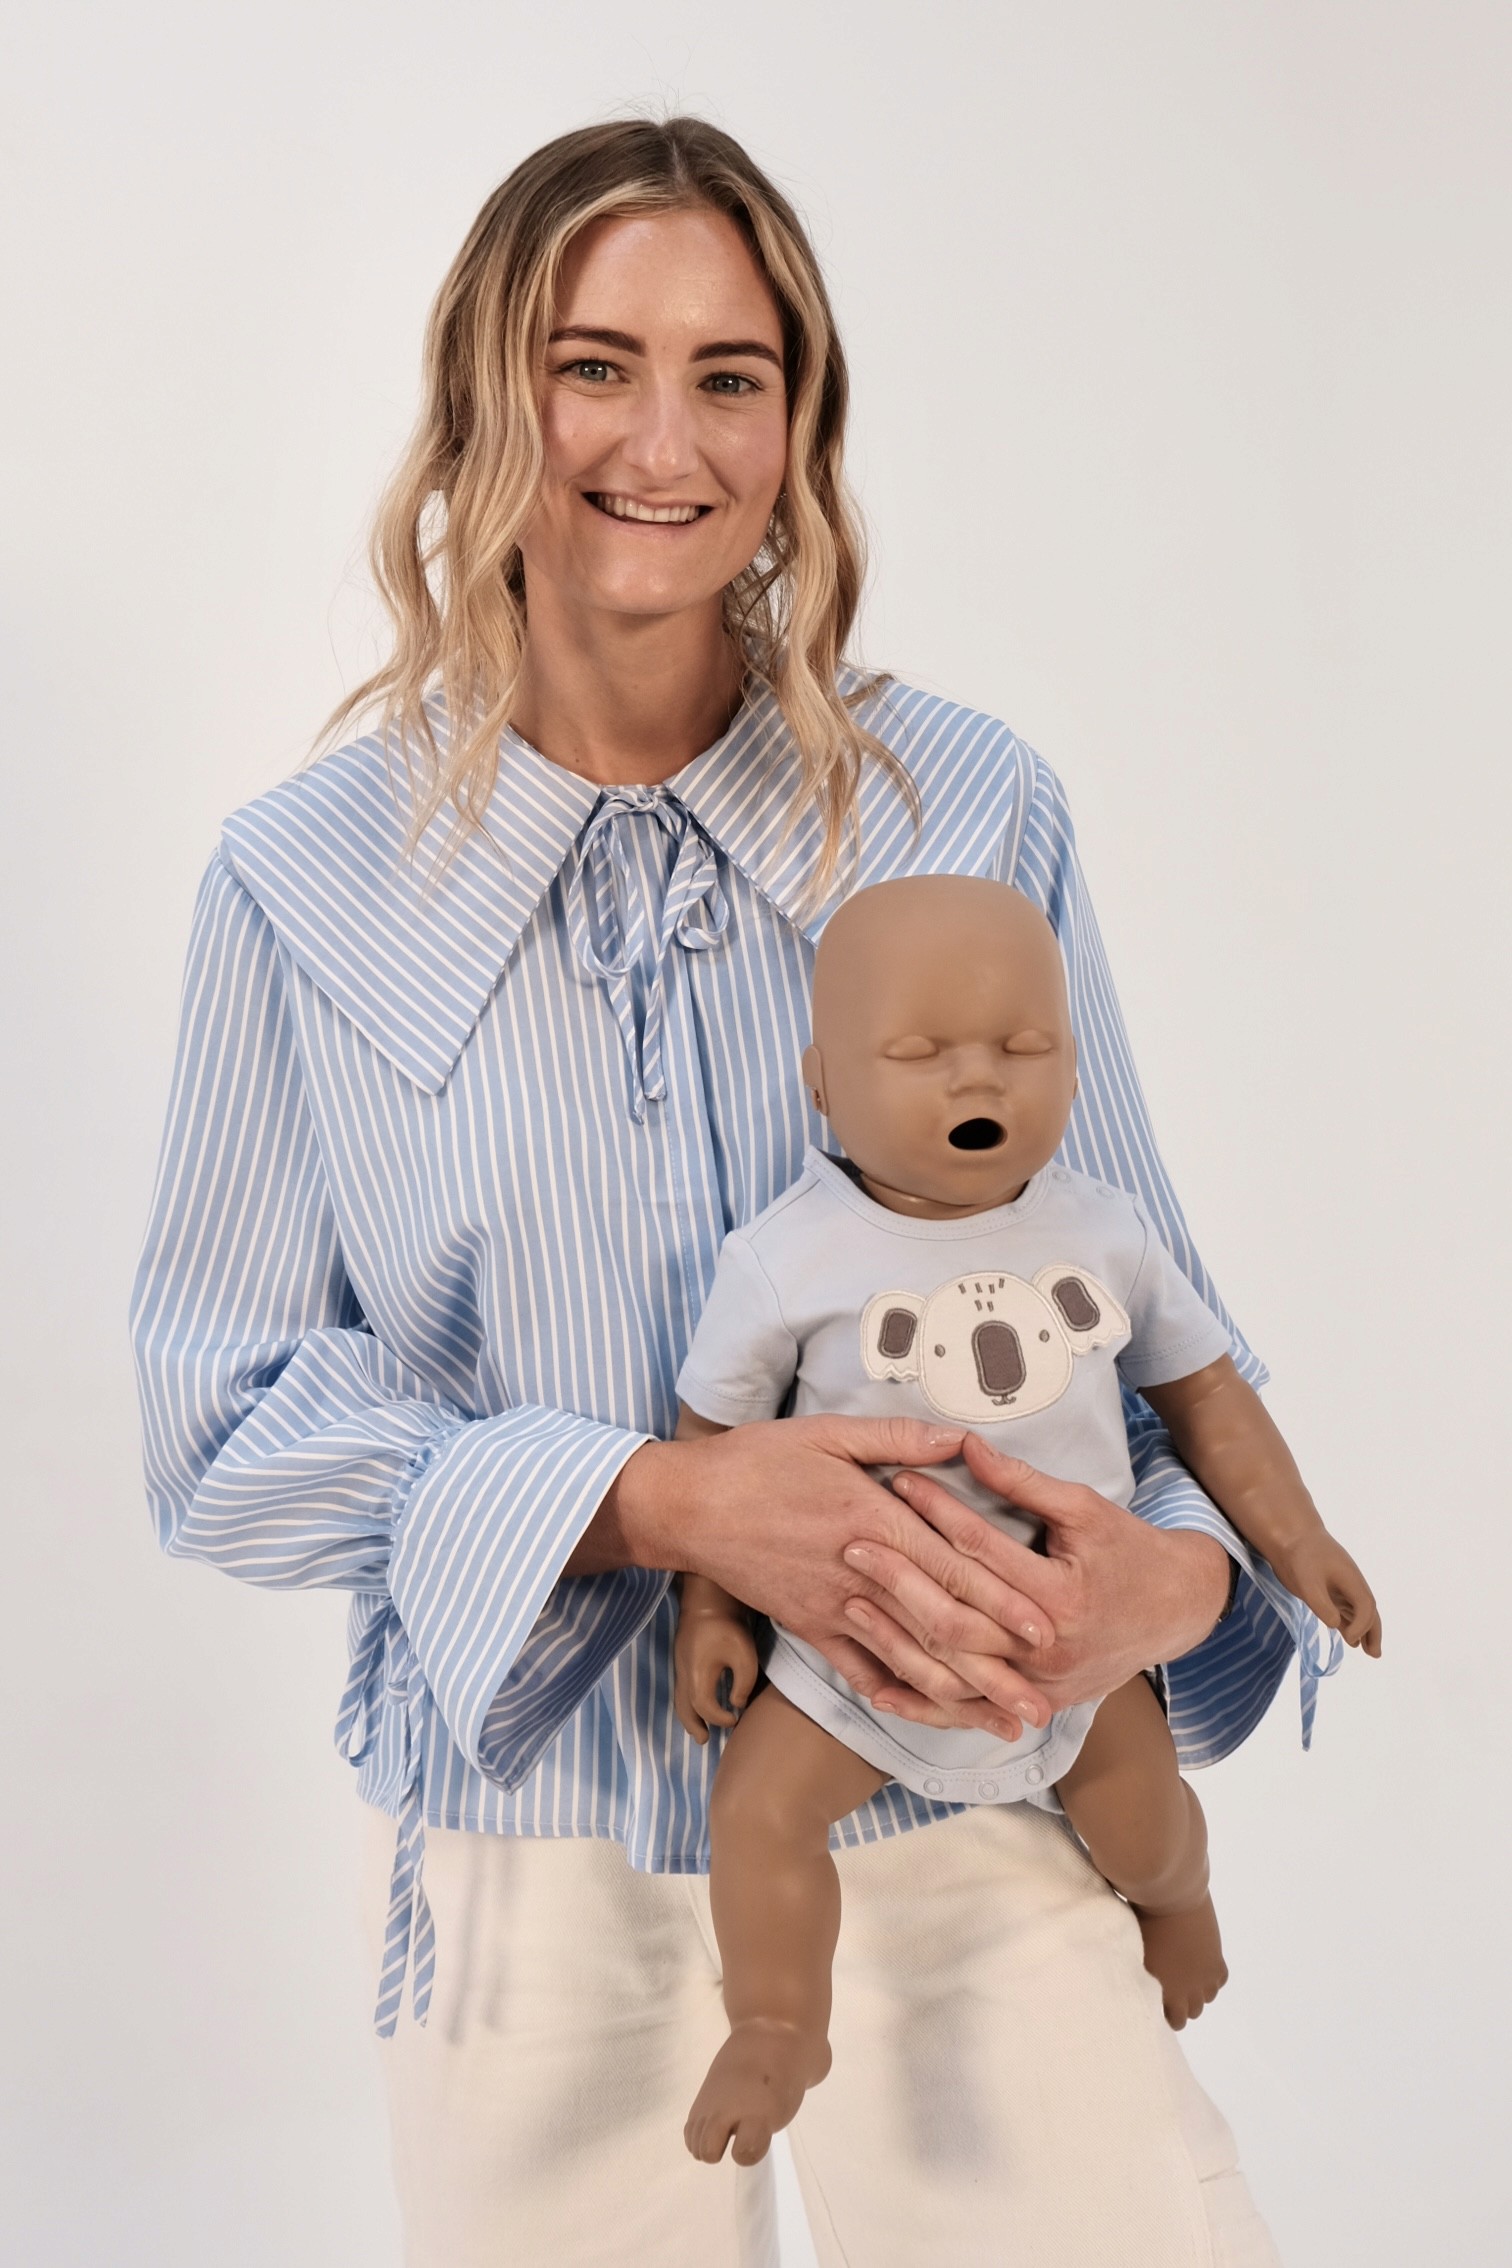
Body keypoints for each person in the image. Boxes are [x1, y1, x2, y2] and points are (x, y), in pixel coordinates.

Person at [131, 115, 1327, 2267]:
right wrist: (652, 1503)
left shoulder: (969, 799)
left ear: (802, 424)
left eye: (731, 375)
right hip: (533, 1870)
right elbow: (217, 1436)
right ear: (491, 394)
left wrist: (1188, 1584)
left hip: (977, 1800)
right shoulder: (297, 887)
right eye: (595, 365)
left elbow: (1137, 1313)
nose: (659, 440)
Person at [673, 874, 1380, 2169]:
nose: (974, 1080)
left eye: (1022, 1048)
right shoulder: (786, 1260)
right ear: (823, 1080)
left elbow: (1206, 1393)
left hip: (1074, 1646)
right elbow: (710, 1448)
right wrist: (709, 1611)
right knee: (759, 1811)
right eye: (921, 1053)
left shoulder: (1105, 1231)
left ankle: (1182, 1904)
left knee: (1143, 1818)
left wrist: (1299, 1541)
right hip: (856, 1657)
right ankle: (777, 2017)